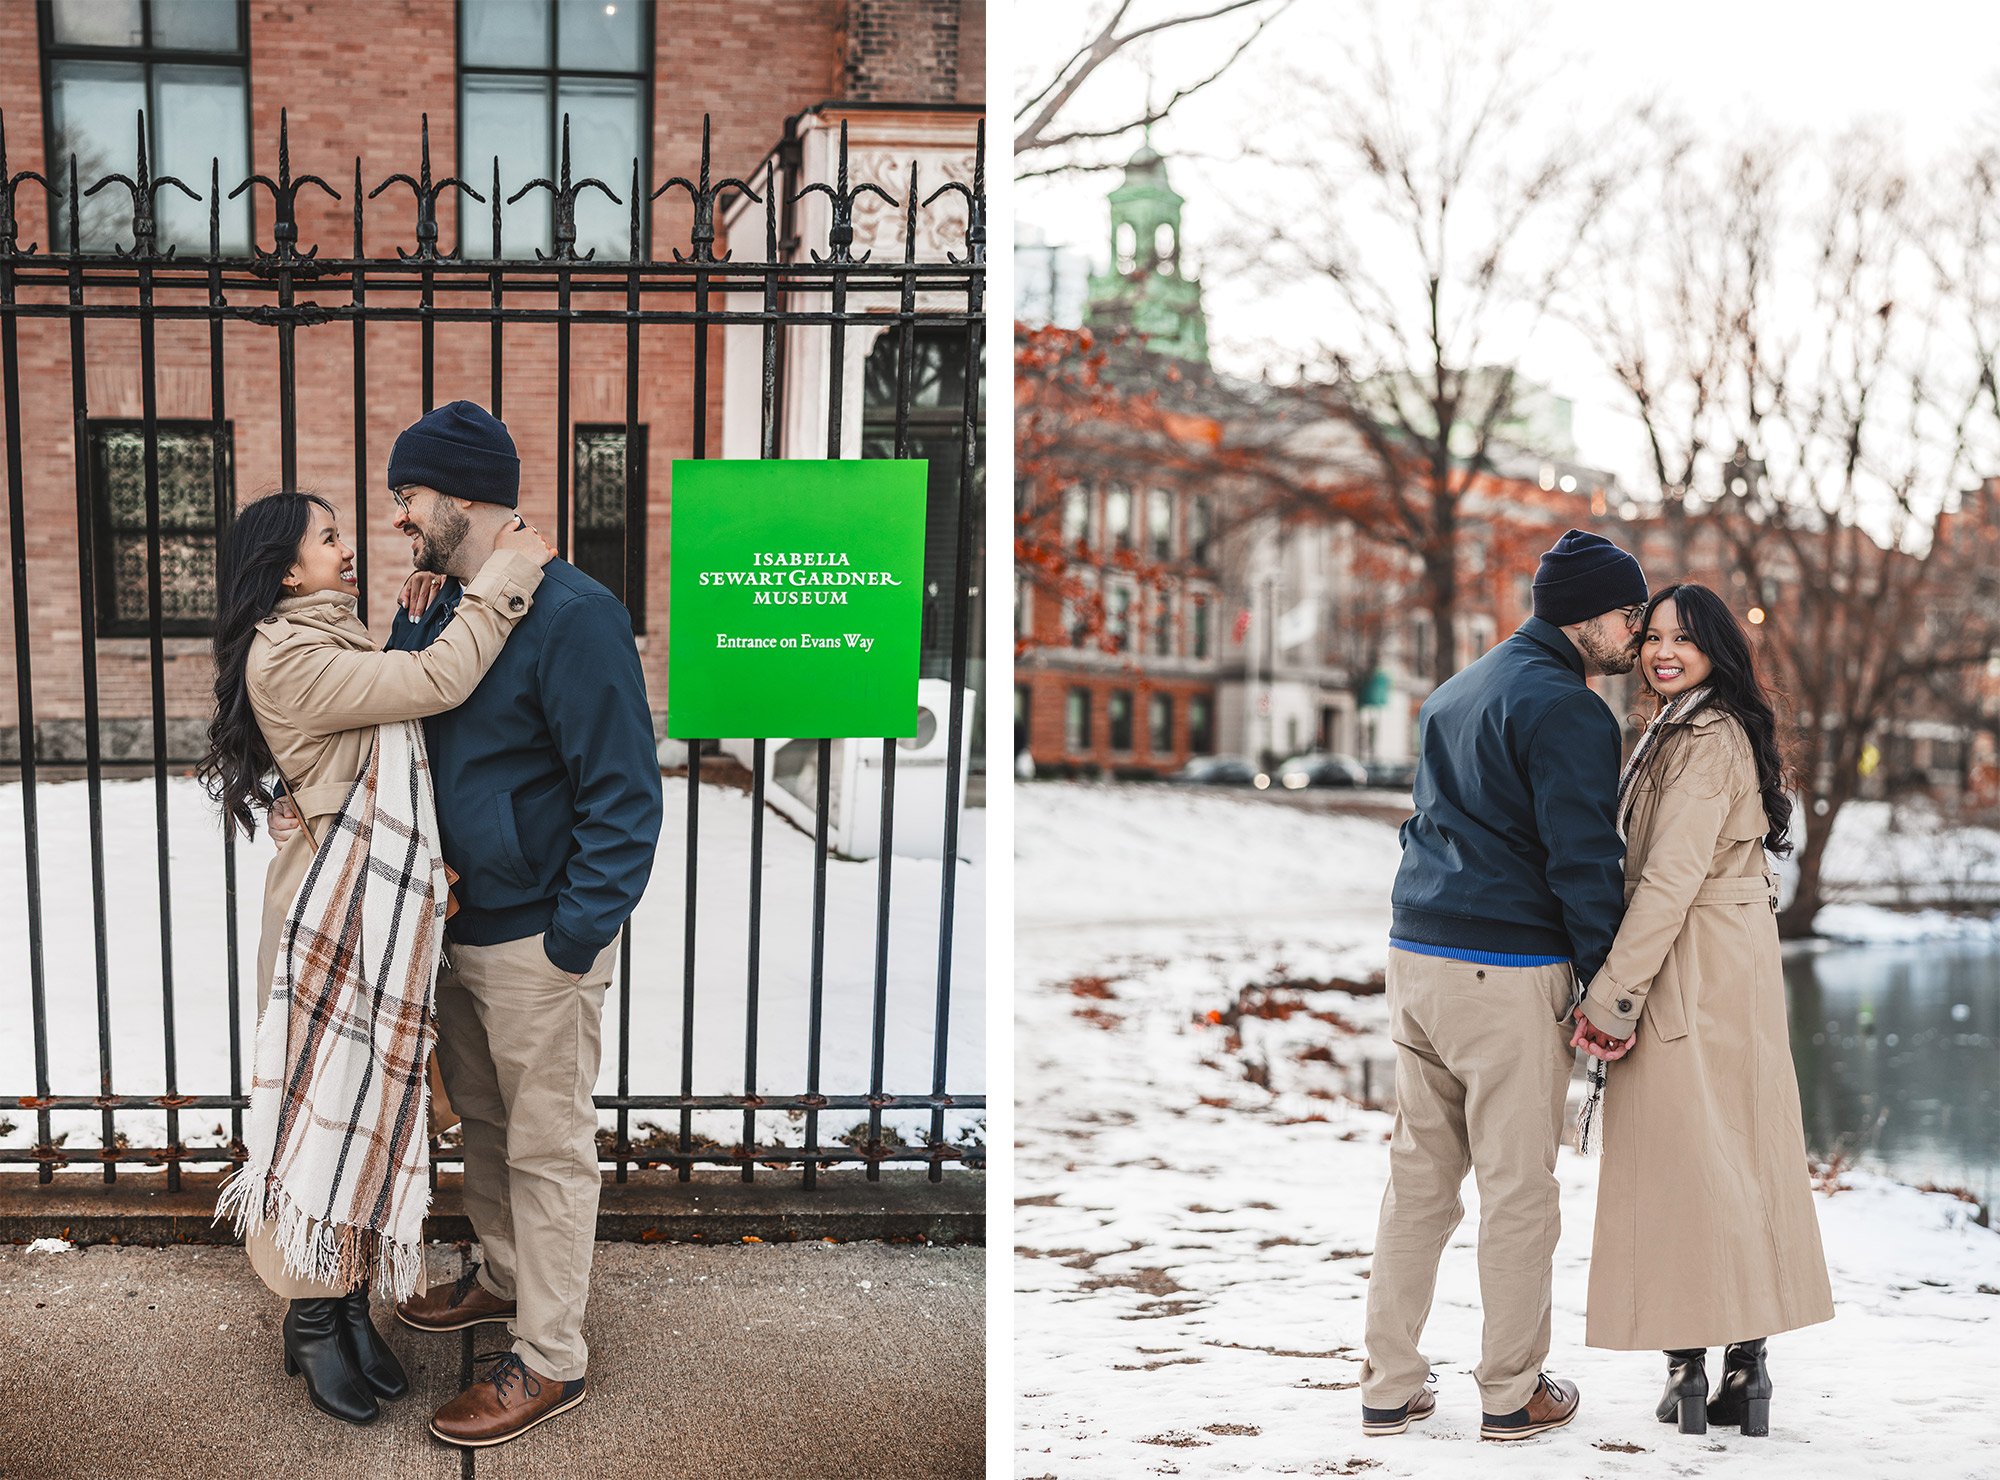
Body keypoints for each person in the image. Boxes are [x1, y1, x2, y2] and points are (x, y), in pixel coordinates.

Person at [271, 401, 663, 1449]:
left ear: (458, 494)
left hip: (540, 937)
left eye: (406, 497)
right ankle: (499, 1276)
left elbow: (624, 796)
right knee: (483, 1127)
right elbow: (409, 730)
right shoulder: (440, 606)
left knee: (546, 1147)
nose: (396, 518)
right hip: (450, 925)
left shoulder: (576, 614)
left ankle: (549, 1355)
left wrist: (575, 933)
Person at [199, 488, 550, 1427]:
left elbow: (382, 708)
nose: (347, 548)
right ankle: (313, 1320)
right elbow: (435, 683)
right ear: (284, 570)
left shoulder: (331, 636)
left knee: (371, 1109)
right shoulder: (292, 652)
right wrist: (505, 580)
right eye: (328, 538)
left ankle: (349, 1306)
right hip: (332, 917)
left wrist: (401, 629)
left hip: (372, 911)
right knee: (325, 1114)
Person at [1358, 528, 1648, 1443]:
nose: (1637, 634)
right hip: (1506, 967)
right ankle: (1512, 1391)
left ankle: (1388, 1383)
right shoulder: (1568, 708)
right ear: (1588, 615)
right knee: (1519, 1189)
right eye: (1628, 614)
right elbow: (1584, 861)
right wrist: (1609, 990)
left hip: (1417, 955)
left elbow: (1426, 821)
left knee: (1419, 1181)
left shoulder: (1458, 689)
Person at [1571, 583, 1834, 1437]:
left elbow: (1669, 879)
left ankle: (1701, 1366)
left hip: (1689, 968)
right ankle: (1736, 1369)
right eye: (1653, 636)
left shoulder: (1705, 735)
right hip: (1725, 968)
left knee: (1684, 1162)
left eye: (1683, 638)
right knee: (1727, 1157)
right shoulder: (1682, 727)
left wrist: (1613, 997)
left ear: (1719, 646)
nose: (1662, 651)